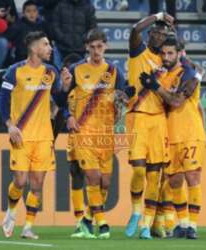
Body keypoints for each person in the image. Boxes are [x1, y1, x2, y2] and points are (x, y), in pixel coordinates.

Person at [0, 31, 72, 239]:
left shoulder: (51, 71)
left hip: (44, 137)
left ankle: (28, 227)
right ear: (33, 47)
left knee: (37, 184)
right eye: (46, 44)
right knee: (20, 181)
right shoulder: (15, 71)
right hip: (21, 134)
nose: (50, 48)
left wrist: (65, 87)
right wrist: (9, 125)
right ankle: (11, 212)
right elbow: (2, 100)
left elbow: (59, 100)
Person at [61, 28, 129, 239]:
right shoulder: (77, 69)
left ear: (105, 46)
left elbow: (124, 96)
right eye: (92, 47)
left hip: (105, 133)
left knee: (105, 182)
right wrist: (67, 116)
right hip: (83, 131)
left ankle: (87, 220)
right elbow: (61, 96)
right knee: (92, 176)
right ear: (86, 48)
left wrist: (123, 104)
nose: (96, 50)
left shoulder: (114, 71)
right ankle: (103, 223)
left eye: (100, 46)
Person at [139, 37, 206, 239]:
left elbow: (177, 101)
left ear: (179, 54)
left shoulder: (189, 74)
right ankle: (182, 224)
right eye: (164, 53)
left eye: (171, 53)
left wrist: (155, 87)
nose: (166, 57)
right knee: (175, 181)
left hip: (190, 134)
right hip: (169, 135)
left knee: (192, 177)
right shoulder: (162, 76)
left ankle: (193, 226)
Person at [124, 12, 174, 239]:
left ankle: (146, 223)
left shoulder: (168, 63)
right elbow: (135, 31)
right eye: (155, 32)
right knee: (138, 169)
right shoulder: (139, 53)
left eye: (163, 34)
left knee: (155, 175)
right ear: (151, 33)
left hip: (159, 120)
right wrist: (158, 16)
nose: (158, 37)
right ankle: (135, 211)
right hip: (138, 116)